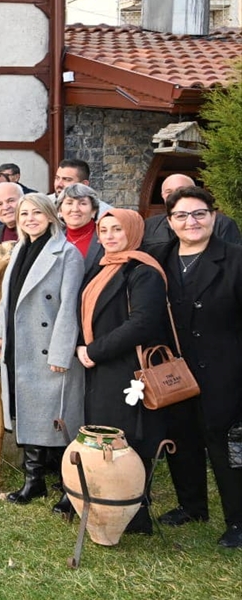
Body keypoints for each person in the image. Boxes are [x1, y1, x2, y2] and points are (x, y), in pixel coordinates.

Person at [150, 187, 242, 548]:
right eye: (182, 216)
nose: (192, 222)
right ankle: (191, 505)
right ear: (170, 222)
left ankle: (238, 520)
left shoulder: (235, 259)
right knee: (182, 437)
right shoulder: (157, 259)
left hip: (226, 370)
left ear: (214, 217)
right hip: (173, 370)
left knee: (227, 445)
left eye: (200, 214)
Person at [77, 208, 170, 535]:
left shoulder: (142, 271)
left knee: (127, 440)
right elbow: (85, 313)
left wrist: (94, 350)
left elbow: (142, 323)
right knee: (106, 438)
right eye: (104, 230)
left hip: (128, 368)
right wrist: (82, 346)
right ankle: (106, 503)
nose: (110, 236)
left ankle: (133, 512)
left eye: (117, 229)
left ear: (133, 231)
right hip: (102, 368)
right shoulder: (102, 267)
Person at [0, 194, 85, 509]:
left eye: (36, 213)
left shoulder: (66, 253)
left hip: (49, 347)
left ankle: (69, 488)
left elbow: (69, 306)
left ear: (50, 215)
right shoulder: (18, 249)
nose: (30, 218)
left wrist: (61, 353)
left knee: (57, 417)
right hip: (20, 341)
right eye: (24, 213)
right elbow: (8, 298)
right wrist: (0, 334)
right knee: (28, 412)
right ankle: (34, 482)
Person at [141, 173, 241, 252]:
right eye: (169, 192)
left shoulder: (223, 224)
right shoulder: (150, 225)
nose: (174, 195)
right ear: (162, 195)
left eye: (181, 190)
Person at [57, 183, 104, 282]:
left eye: (82, 203)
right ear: (60, 210)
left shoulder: (105, 237)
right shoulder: (53, 237)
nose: (75, 209)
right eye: (69, 203)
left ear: (93, 211)